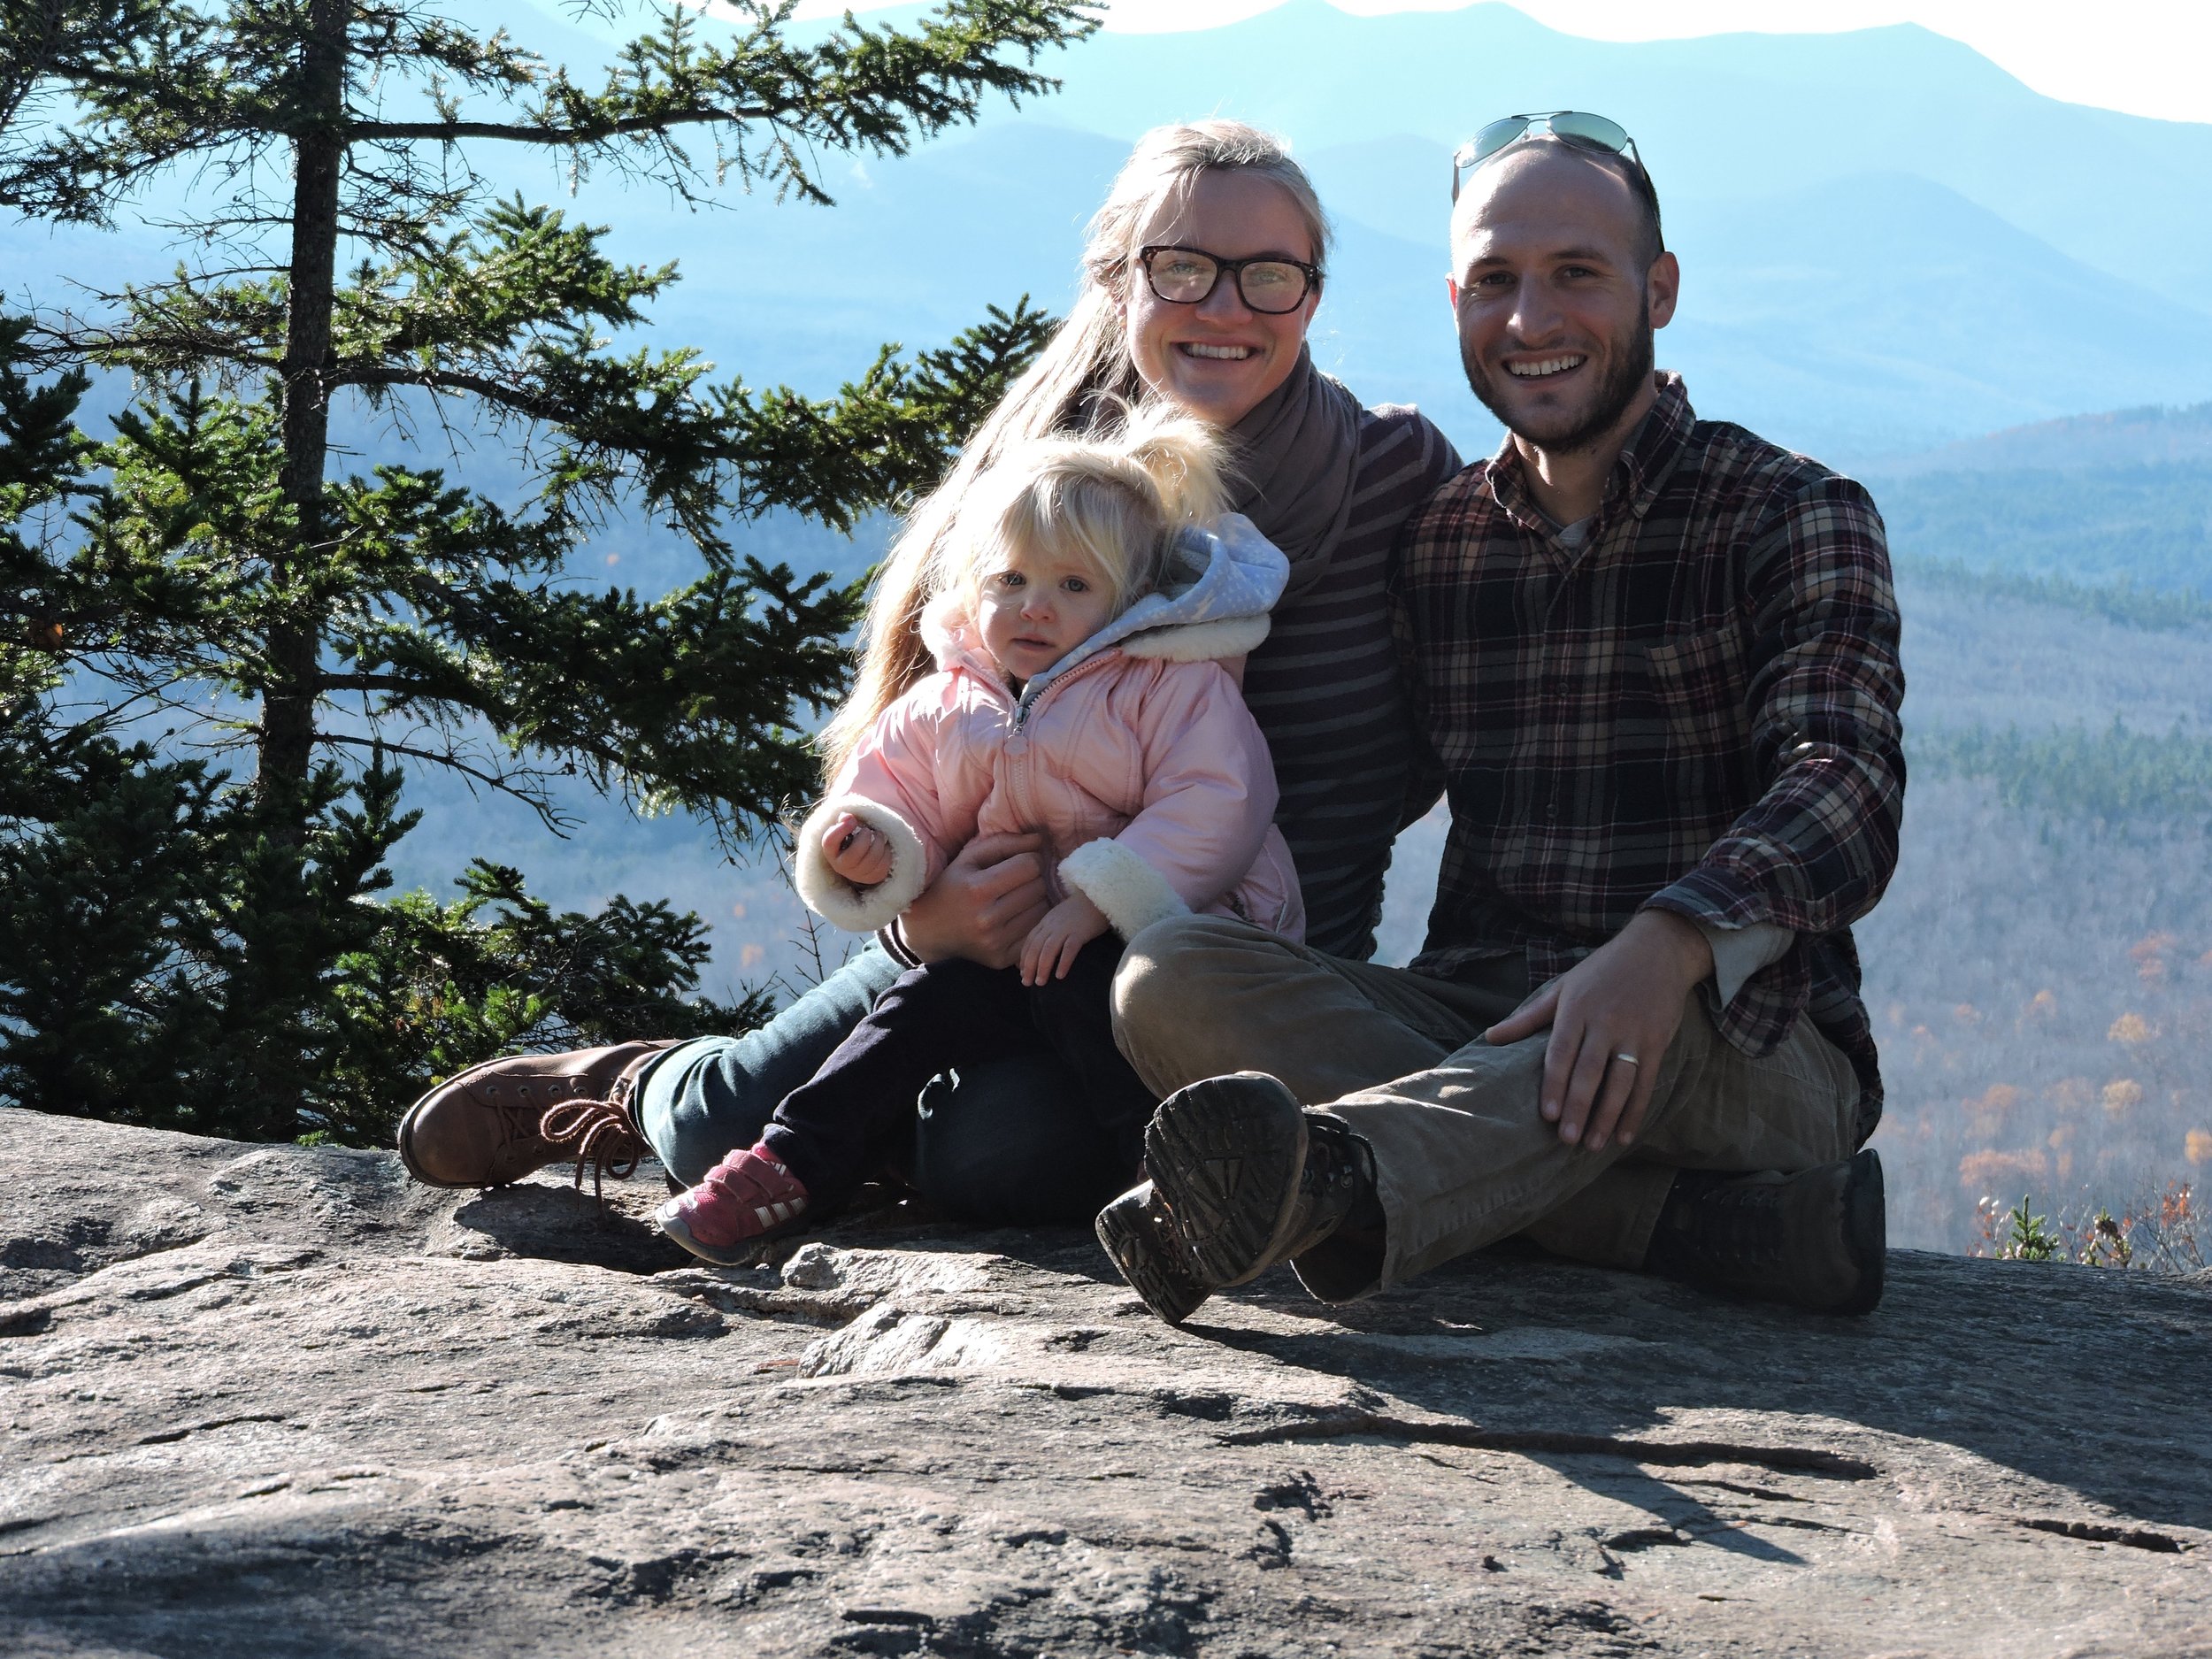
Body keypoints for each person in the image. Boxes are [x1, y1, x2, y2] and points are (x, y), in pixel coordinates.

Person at [394, 119, 1463, 1221]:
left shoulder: (1396, 474)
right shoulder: (1042, 492)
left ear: (1313, 295)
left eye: (1269, 275)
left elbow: (1443, 745)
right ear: (1115, 280)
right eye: (1181, 265)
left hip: (1256, 973)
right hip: (980, 941)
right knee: (721, 1125)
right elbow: (914, 747)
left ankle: (878, 1129)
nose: (1226, 305)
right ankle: (639, 1079)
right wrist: (918, 918)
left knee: (991, 1161)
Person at [1097, 111, 1906, 1324]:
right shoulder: (1442, 541)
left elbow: (1844, 788)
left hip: (1742, 1040)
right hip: (1475, 1015)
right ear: (1456, 300)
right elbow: (1354, 767)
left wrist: (1668, 942)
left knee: (1634, 1020)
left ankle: (1332, 1180)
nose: (1531, 320)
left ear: (1660, 289)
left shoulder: (1788, 512)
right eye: (1495, 282)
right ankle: (1689, 1230)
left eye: (1576, 274)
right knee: (1167, 973)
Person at [655, 411, 1303, 1261]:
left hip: (1160, 950)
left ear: (1129, 600)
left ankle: (1172, 1196)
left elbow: (1218, 803)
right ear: (973, 580)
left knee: (1082, 1016)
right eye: (1012, 580)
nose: (1035, 607)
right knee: (918, 1007)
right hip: (1003, 956)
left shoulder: (1169, 688)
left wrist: (1099, 903)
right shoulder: (951, 699)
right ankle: (787, 1164)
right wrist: (872, 844)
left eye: (1075, 587)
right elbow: (895, 788)